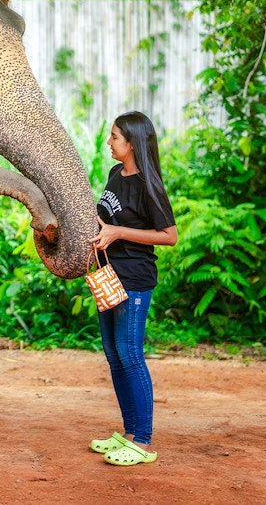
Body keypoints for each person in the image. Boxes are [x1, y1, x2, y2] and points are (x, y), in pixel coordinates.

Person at [88, 111, 178, 466]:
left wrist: (119, 233)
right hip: (109, 275)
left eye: (114, 137)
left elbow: (169, 236)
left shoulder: (148, 185)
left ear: (132, 143)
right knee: (113, 354)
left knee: (130, 353)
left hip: (135, 279)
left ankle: (142, 440)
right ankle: (128, 432)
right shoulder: (115, 174)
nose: (109, 142)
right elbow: (107, 219)